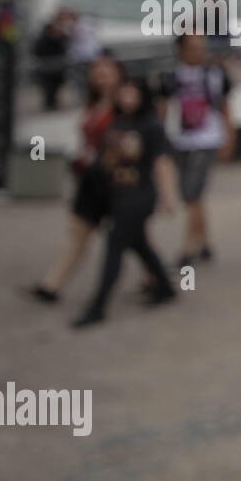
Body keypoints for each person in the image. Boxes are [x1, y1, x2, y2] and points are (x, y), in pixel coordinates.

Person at [72, 77, 177, 328]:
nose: (127, 99)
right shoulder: (116, 121)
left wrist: (168, 195)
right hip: (116, 195)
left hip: (138, 196)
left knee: (114, 246)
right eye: (124, 93)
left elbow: (161, 161)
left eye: (132, 93)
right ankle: (165, 287)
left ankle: (98, 305)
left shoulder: (151, 125)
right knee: (139, 244)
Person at [26, 54, 125, 303]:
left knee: (130, 237)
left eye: (106, 71)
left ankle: (155, 278)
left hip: (112, 180)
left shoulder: (124, 105)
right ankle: (52, 285)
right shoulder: (94, 104)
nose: (100, 76)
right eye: (97, 71)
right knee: (77, 231)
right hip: (90, 179)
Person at [158, 28, 235, 268]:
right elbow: (162, 110)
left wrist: (228, 138)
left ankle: (188, 248)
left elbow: (224, 108)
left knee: (191, 192)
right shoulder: (170, 76)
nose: (199, 51)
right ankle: (205, 244)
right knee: (194, 196)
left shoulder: (215, 74)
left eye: (202, 46)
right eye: (194, 47)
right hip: (181, 139)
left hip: (206, 139)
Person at [32, 11, 70, 110]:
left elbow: (65, 50)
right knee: (48, 88)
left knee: (55, 87)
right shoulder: (43, 39)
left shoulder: (63, 37)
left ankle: (52, 103)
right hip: (46, 68)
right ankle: (49, 103)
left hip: (58, 68)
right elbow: (37, 50)